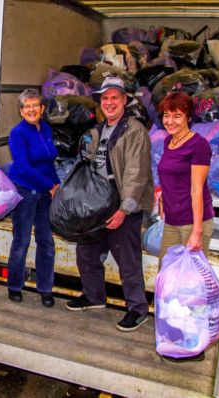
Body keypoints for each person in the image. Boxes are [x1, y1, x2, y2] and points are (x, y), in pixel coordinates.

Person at [66, 76, 153, 332]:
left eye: (115, 97)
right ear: (100, 103)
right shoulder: (96, 131)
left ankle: (138, 309)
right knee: (86, 252)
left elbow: (136, 174)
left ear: (124, 100)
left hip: (125, 206)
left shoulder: (135, 131)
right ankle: (94, 297)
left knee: (127, 260)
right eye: (105, 98)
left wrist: (124, 209)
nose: (110, 102)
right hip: (98, 205)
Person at [6, 88, 59, 306]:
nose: (31, 109)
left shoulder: (46, 129)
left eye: (35, 105)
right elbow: (23, 167)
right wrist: (50, 186)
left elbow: (49, 162)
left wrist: (57, 184)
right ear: (21, 111)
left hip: (45, 192)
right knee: (22, 240)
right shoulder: (18, 133)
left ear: (42, 108)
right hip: (25, 190)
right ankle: (14, 285)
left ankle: (45, 288)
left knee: (46, 241)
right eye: (27, 106)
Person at [157, 93, 214, 260]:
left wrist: (197, 231)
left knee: (189, 281)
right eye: (167, 116)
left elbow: (197, 189)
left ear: (188, 117)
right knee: (167, 275)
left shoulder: (198, 145)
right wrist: (162, 199)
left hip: (193, 222)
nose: (170, 121)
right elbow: (171, 175)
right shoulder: (169, 141)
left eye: (177, 116)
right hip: (172, 220)